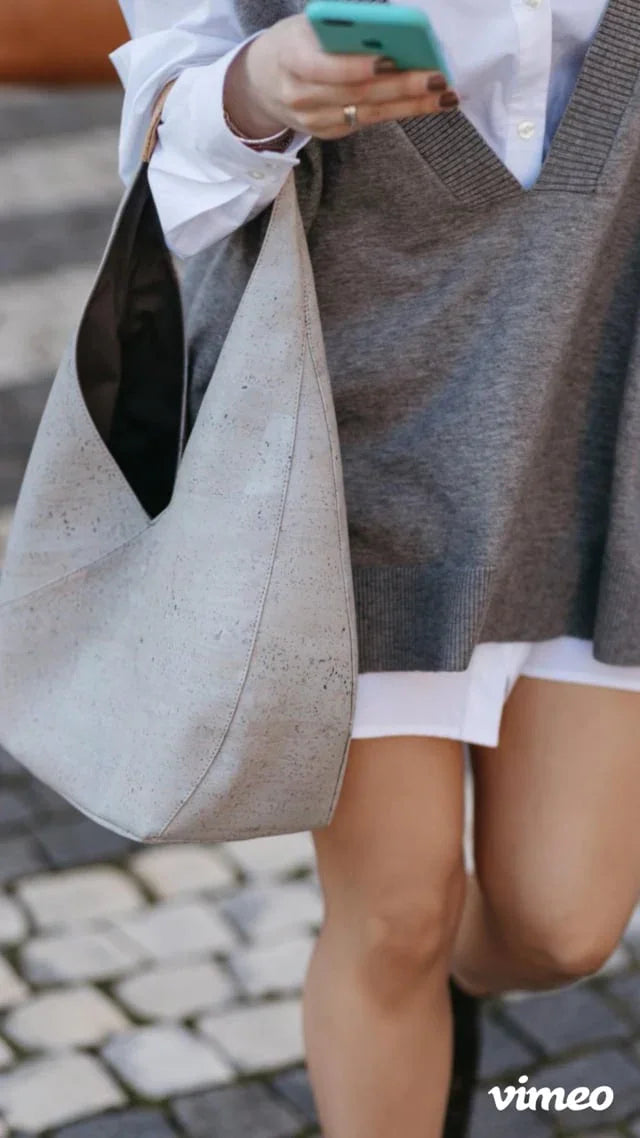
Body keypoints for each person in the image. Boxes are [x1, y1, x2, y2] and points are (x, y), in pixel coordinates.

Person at [111, 2, 640, 1134]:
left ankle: (436, 988)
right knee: (396, 911)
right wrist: (258, 88)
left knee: (561, 926)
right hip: (347, 441)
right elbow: (167, 154)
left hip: (600, 423)